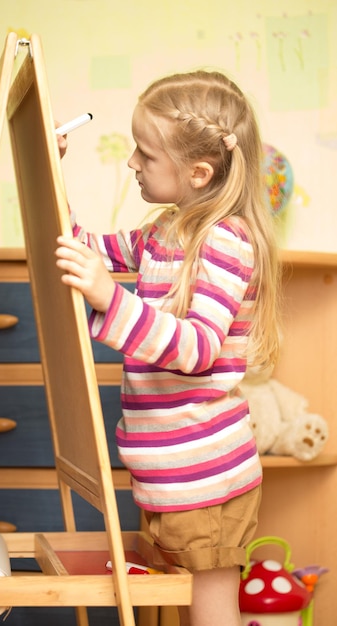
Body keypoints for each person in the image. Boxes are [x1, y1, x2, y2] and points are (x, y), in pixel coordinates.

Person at [55, 69, 281, 626]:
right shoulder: (164, 231)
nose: (132, 162)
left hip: (206, 474)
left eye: (145, 154)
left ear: (197, 173)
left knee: (209, 612)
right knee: (179, 605)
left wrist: (112, 300)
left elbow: (199, 347)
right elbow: (84, 251)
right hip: (168, 472)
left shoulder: (226, 242)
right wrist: (48, 173)